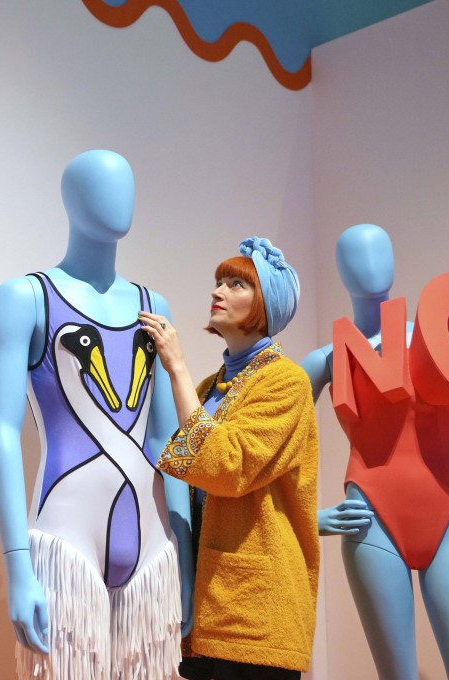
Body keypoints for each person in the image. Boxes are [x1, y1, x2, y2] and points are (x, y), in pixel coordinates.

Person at [0, 149, 187, 679]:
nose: (119, 201)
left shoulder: (153, 306)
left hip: (153, 548)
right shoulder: (26, 298)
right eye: (101, 187)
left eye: (127, 186)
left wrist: (186, 555)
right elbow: (1, 432)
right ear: (70, 200)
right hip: (64, 541)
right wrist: (17, 564)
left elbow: (166, 439)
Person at [301, 223, 449, 680]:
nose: (371, 265)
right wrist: (307, 517)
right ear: (340, 271)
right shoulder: (323, 360)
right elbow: (274, 449)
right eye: (356, 256)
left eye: (379, 251)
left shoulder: (439, 342)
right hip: (370, 519)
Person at [141, 237, 319, 680]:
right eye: (219, 282)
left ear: (266, 304)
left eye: (237, 284)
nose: (218, 291)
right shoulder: (208, 389)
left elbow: (228, 469)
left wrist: (176, 368)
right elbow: (177, 470)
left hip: (259, 615)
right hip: (207, 611)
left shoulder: (287, 382)